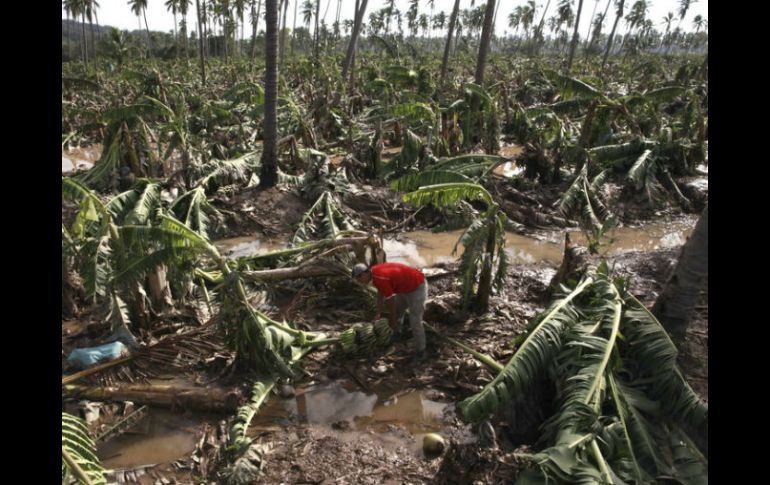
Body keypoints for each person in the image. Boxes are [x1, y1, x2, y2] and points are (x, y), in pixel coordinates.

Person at [352, 262, 428, 360]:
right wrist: (378, 312)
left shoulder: (379, 277)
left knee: (415, 320)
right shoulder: (374, 274)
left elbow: (390, 301)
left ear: (364, 274)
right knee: (398, 311)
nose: (359, 282)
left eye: (359, 278)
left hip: (416, 286)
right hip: (403, 287)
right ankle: (397, 333)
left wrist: (392, 321)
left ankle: (421, 350)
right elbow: (380, 293)